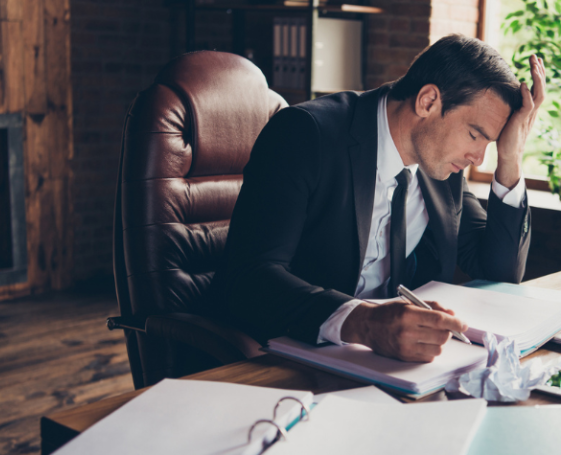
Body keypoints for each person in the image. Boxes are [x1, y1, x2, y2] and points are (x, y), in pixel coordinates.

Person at [211, 34, 546, 363]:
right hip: (287, 357)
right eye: (475, 135)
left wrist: (511, 157)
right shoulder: (305, 134)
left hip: (389, 364)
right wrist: (364, 324)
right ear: (428, 101)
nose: (478, 158)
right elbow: (248, 279)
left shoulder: (442, 164)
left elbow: (499, 272)